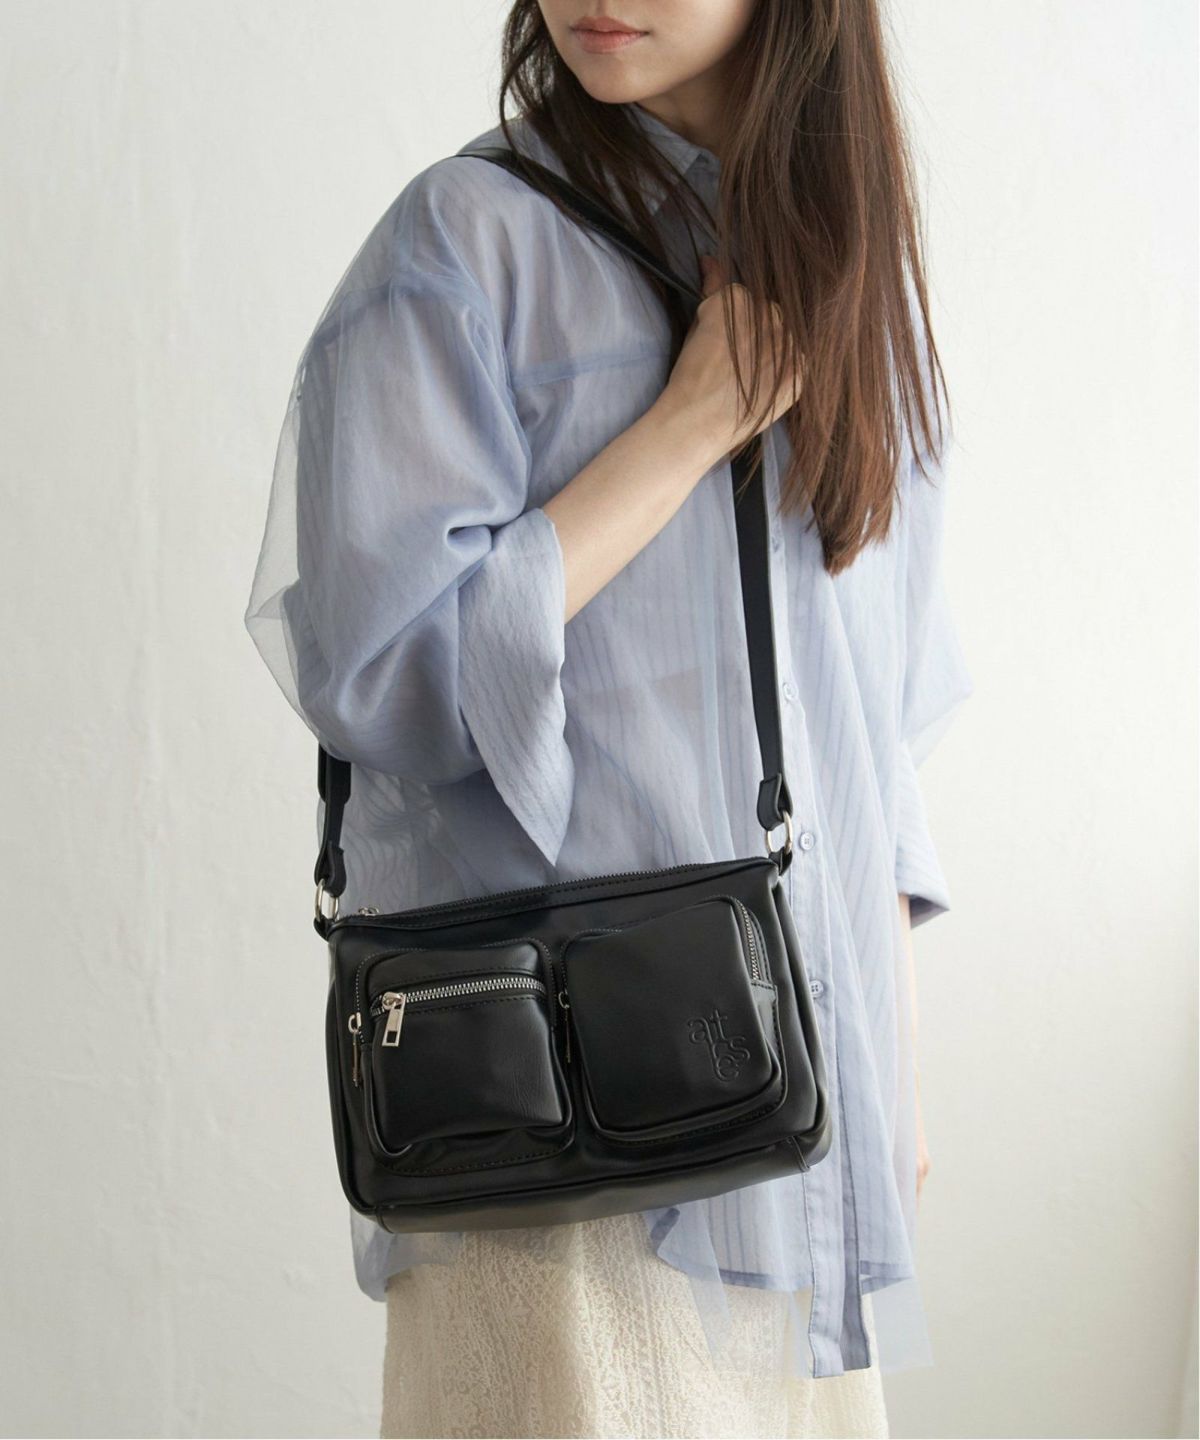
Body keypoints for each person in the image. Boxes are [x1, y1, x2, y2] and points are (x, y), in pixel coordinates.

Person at [244, 1, 974, 1435]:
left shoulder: (848, 271)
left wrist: (894, 1075)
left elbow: (868, 730)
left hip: (796, 1127)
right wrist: (686, 429)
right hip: (559, 1148)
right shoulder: (464, 243)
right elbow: (390, 672)